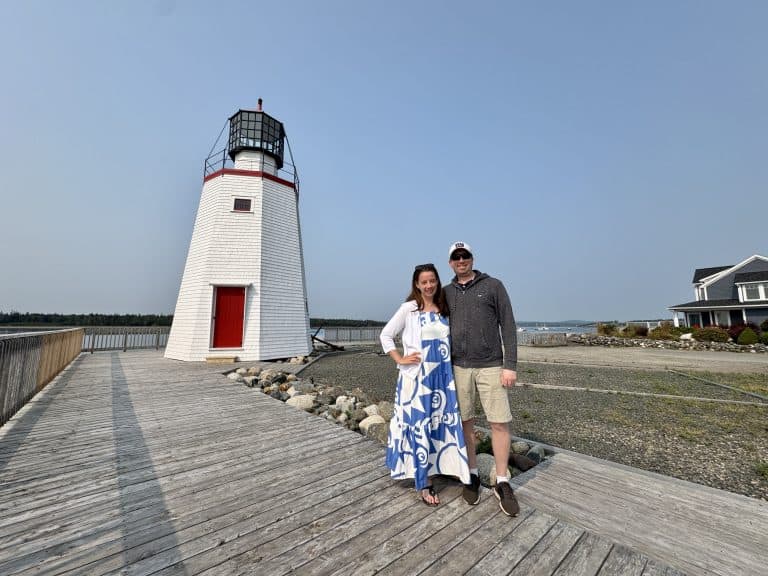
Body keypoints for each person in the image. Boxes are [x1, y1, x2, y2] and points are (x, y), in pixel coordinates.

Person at [380, 263, 471, 506]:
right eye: (424, 282)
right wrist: (400, 358)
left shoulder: (443, 308)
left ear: (437, 282)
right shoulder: (409, 309)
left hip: (442, 379)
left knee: (439, 424)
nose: (429, 285)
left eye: (432, 281)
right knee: (421, 426)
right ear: (417, 285)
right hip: (418, 380)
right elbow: (386, 335)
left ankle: (446, 466)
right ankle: (424, 482)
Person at [444, 241, 521, 517]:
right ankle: (473, 474)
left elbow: (508, 325)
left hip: (491, 365)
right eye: (456, 257)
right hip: (458, 367)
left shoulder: (494, 286)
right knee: (465, 423)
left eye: (465, 256)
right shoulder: (446, 293)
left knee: (499, 422)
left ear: (472, 259)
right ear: (450, 262)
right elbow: (428, 319)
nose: (461, 260)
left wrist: (509, 364)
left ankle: (502, 481)